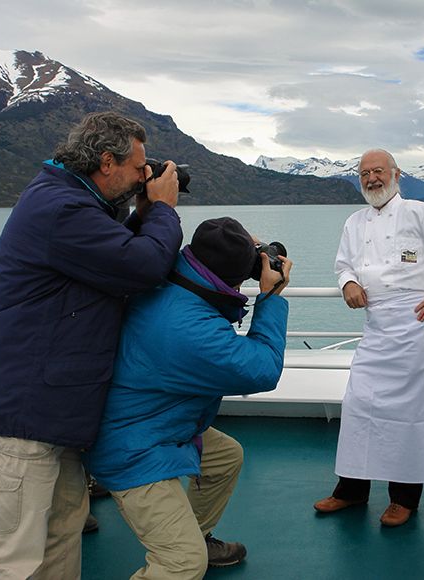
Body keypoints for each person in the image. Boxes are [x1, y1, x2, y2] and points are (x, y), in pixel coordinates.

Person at [0, 111, 184, 579]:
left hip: (54, 412)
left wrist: (141, 212)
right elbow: (141, 267)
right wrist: (161, 210)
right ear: (106, 161)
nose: (146, 176)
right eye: (140, 167)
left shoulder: (75, 204)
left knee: (59, 542)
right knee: (9, 558)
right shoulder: (61, 209)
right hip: (19, 413)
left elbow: (118, 257)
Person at [85, 217, 292, 580]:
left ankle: (195, 535)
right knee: (182, 564)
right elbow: (263, 369)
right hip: (132, 446)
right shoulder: (190, 329)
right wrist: (270, 297)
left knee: (225, 458)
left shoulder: (173, 276)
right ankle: (186, 549)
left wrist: (243, 248)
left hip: (151, 418)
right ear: (232, 278)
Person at [314, 149, 424, 527]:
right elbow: (344, 264)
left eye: (378, 171)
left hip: (417, 326)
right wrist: (348, 282)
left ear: (397, 174)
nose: (371, 179)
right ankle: (351, 490)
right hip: (376, 325)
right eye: (364, 173)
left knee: (409, 416)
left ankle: (404, 499)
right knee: (359, 405)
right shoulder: (354, 222)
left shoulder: (421, 213)